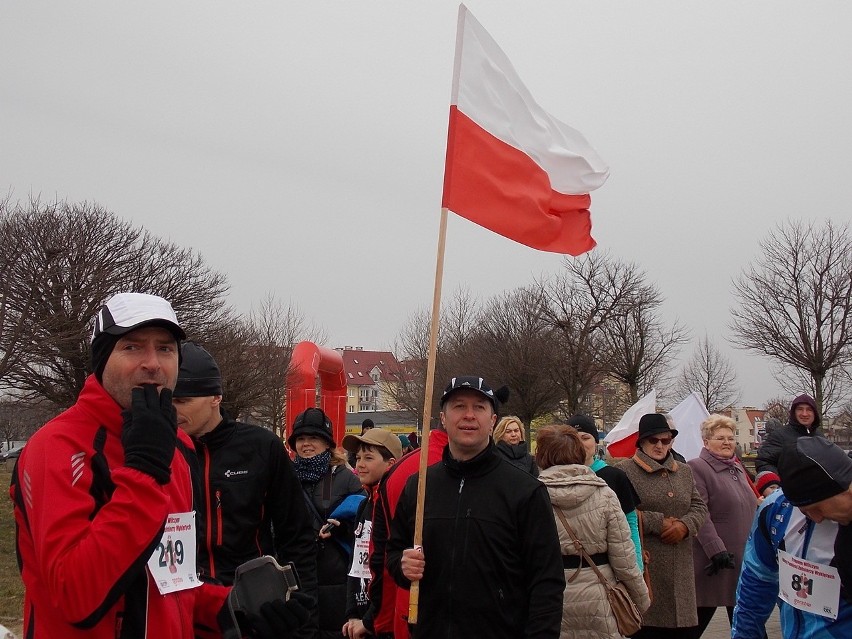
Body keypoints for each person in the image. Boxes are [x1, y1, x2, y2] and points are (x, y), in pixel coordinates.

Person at [8, 292, 309, 638]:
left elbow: (171, 582)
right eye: (132, 347)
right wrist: (145, 471)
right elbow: (74, 595)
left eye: (165, 348)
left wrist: (234, 607)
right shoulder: (57, 446)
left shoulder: (179, 445)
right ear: (102, 359)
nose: (152, 363)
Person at [386, 375, 566, 638]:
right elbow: (394, 552)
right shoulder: (420, 487)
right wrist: (402, 566)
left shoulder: (525, 490)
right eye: (459, 406)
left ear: (493, 421)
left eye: (479, 407)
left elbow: (547, 582)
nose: (469, 415)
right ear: (443, 419)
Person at [171, 343, 317, 606]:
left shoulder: (262, 447)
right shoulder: (161, 450)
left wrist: (303, 613)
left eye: (182, 401)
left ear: (216, 397)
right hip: (184, 602)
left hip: (253, 602)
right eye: (168, 400)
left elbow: (296, 536)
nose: (174, 410)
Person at [537, 423, 650, 638]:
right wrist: (640, 599)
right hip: (600, 596)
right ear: (579, 453)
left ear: (542, 456)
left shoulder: (532, 496)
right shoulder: (604, 494)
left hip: (550, 598)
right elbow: (624, 557)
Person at [732, 436, 852, 638]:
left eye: (817, 508)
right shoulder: (775, 509)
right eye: (804, 511)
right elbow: (755, 584)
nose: (816, 518)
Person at [617, 413, 708, 638]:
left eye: (665, 440)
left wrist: (685, 526)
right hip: (647, 566)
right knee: (649, 627)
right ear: (641, 442)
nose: (660, 446)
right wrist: (657, 522)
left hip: (682, 567)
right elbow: (619, 513)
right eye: (653, 441)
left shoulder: (684, 471)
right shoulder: (624, 471)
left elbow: (699, 506)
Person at [288, 407, 366, 639]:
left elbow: (366, 523)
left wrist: (343, 529)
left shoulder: (346, 478)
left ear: (327, 443)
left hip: (336, 577)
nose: (306, 444)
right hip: (297, 573)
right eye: (301, 438)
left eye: (314, 438)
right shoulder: (286, 476)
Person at [685, 415, 761, 639]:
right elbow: (700, 513)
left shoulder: (736, 468)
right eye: (720, 438)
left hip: (741, 560)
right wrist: (715, 550)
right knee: (693, 625)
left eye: (730, 437)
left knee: (747, 625)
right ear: (706, 442)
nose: (727, 442)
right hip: (715, 562)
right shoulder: (697, 467)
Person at [340, 428, 402, 639]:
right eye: (358, 458)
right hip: (358, 618)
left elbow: (389, 569)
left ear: (391, 464)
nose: (360, 464)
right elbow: (355, 563)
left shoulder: (396, 507)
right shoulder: (364, 505)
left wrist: (370, 620)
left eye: (368, 457)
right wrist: (351, 613)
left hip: (382, 622)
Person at [569, 414, 643, 570]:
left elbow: (630, 522)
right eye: (573, 438)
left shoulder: (615, 477)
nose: (580, 444)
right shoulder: (557, 479)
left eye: (585, 437)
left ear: (596, 442)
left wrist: (637, 566)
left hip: (609, 567)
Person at [754, 394, 820, 485]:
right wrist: (782, 482)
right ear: (793, 412)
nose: (804, 414)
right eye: (800, 409)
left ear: (814, 413)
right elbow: (763, 461)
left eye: (809, 409)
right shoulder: (780, 436)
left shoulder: (820, 437)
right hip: (790, 495)